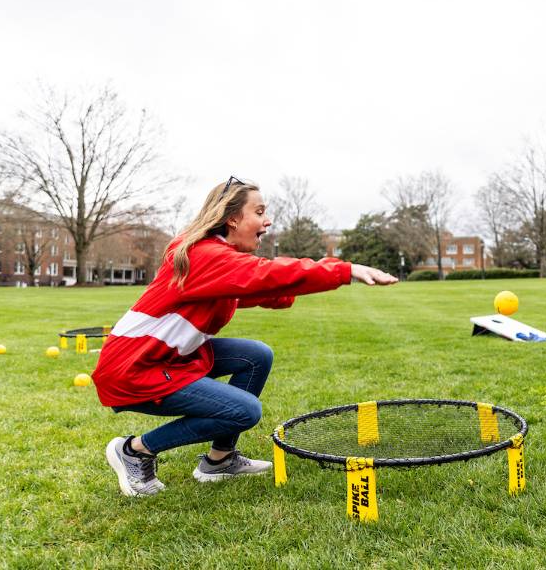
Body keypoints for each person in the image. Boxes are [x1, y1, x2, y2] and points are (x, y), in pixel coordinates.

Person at [93, 177, 398, 496]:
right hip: (136, 367)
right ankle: (135, 450)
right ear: (232, 218)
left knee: (256, 355)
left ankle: (219, 460)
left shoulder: (216, 259)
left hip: (168, 356)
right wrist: (343, 271)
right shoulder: (205, 255)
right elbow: (266, 274)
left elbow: (259, 286)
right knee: (244, 410)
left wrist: (290, 288)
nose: (267, 221)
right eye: (260, 212)